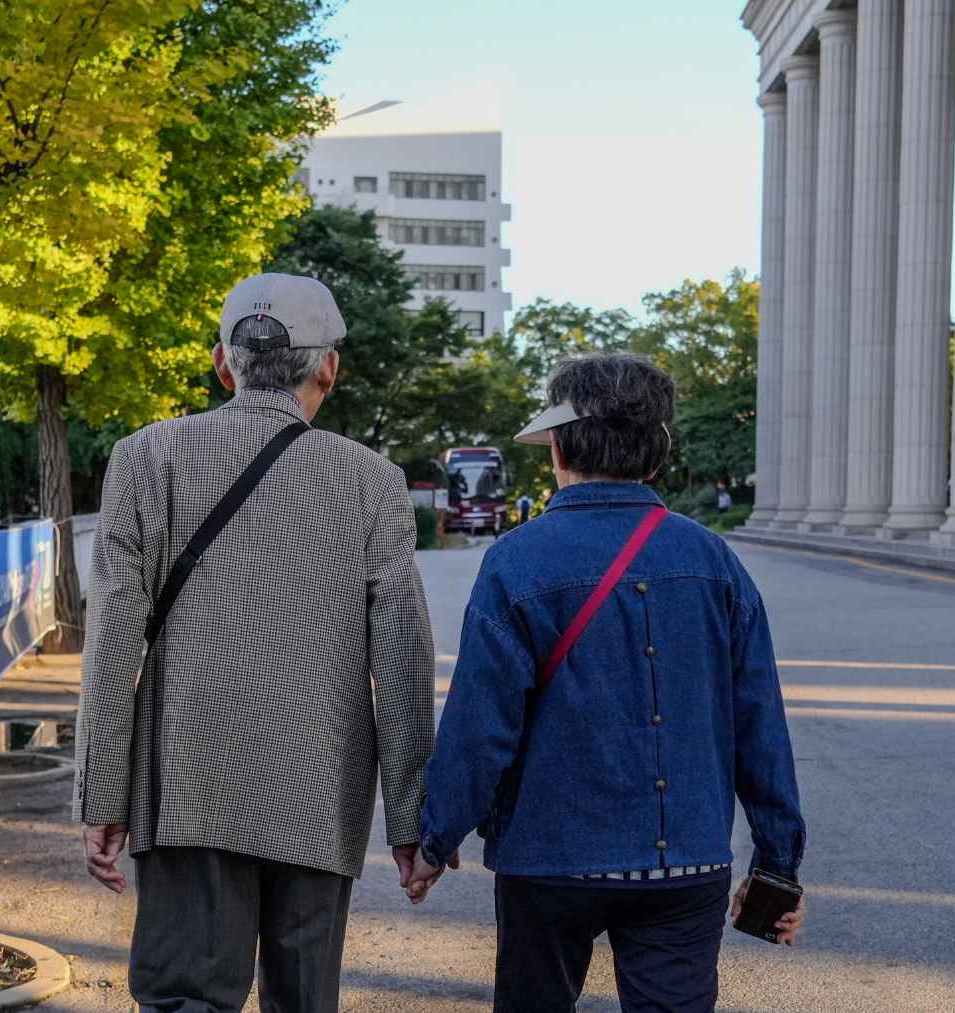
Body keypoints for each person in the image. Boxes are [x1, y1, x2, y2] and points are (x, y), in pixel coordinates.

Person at [73, 273, 436, 1013]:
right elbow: (400, 661)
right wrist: (410, 819)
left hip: (185, 786)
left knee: (184, 999)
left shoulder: (144, 457)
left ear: (222, 361)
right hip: (318, 791)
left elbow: (112, 638)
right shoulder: (375, 482)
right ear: (327, 368)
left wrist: (102, 793)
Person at [408, 352, 807, 1013]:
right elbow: (758, 724)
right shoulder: (715, 561)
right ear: (657, 454)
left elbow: (481, 727)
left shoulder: (516, 561)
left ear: (559, 447)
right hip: (685, 857)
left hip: (548, 857)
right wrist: (778, 863)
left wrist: (435, 838)